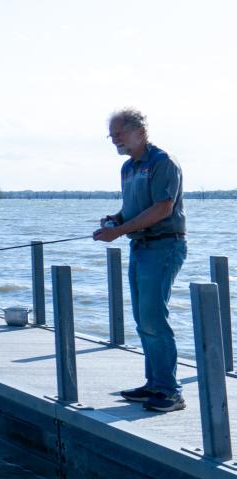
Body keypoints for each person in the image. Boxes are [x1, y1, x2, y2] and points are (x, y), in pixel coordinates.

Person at [93, 108, 187, 412]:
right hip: (140, 247)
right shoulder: (128, 168)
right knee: (142, 318)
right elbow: (132, 209)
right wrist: (114, 220)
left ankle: (171, 392)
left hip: (164, 245)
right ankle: (154, 384)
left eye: (118, 134)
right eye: (112, 136)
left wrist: (119, 231)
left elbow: (162, 209)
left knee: (154, 318)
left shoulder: (162, 163)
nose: (114, 141)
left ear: (139, 131)